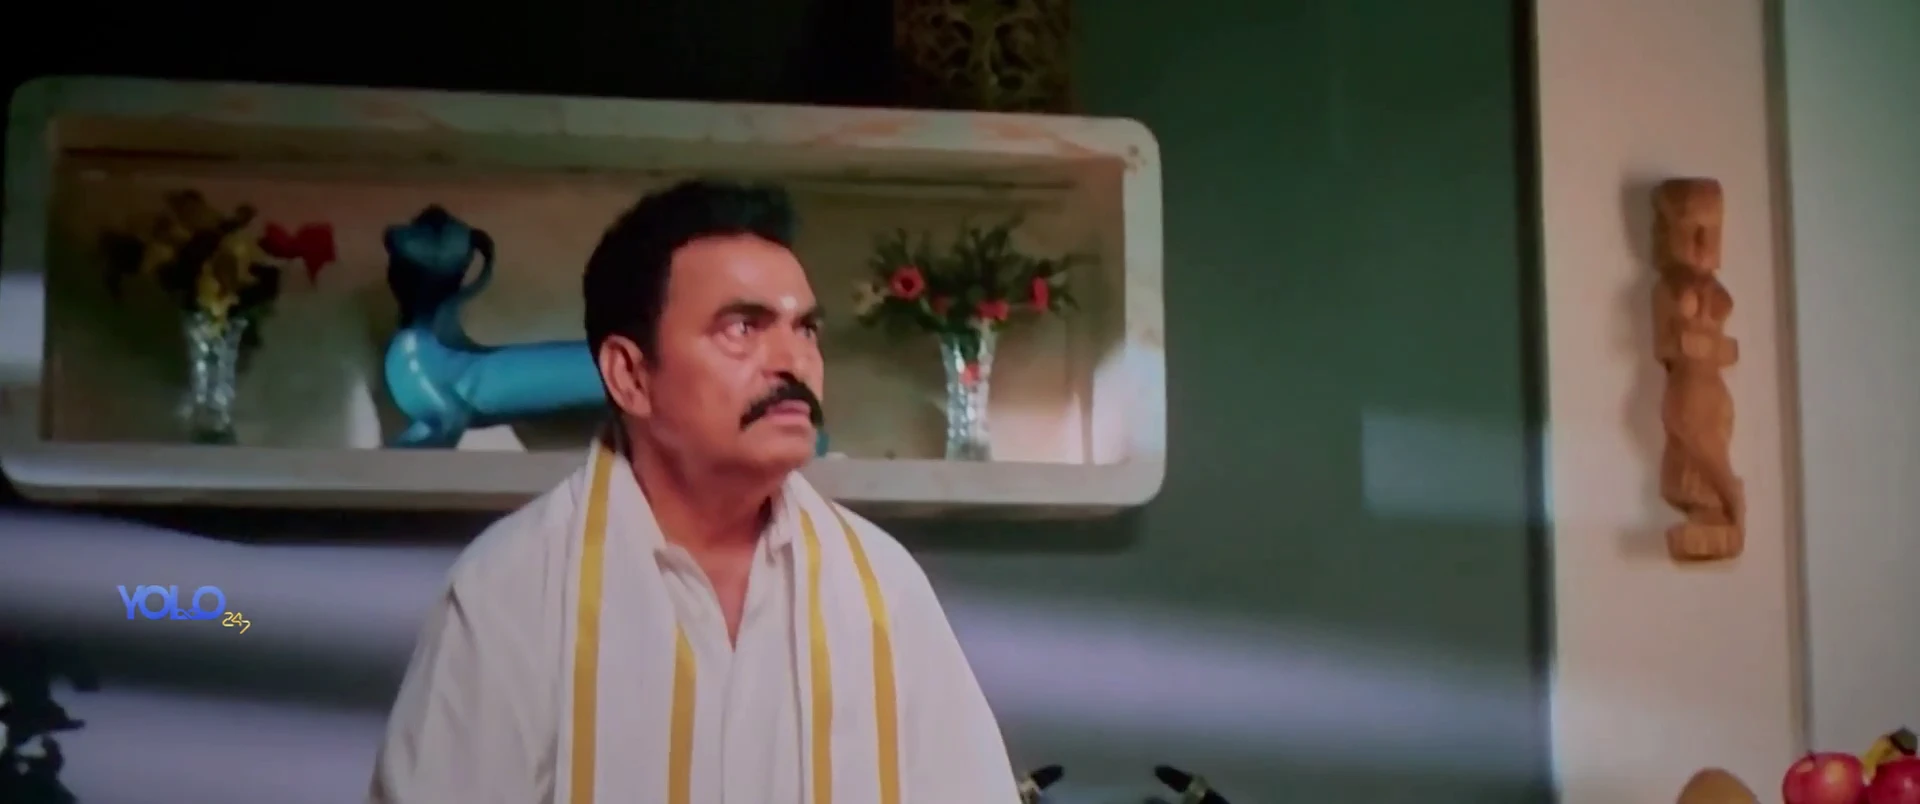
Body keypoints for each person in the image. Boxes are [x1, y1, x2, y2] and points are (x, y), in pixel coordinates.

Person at [369, 180, 1020, 804]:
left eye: (806, 329)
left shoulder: (882, 588)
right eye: (743, 328)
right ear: (629, 375)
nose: (793, 361)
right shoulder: (511, 590)